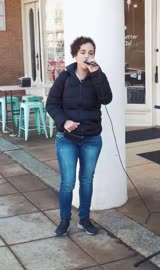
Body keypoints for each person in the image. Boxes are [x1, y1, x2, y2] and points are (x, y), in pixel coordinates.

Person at [46, 36, 112, 236]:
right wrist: (64, 121)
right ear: (75, 54)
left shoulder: (98, 76)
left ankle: (84, 219)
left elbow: (106, 99)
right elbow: (51, 104)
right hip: (67, 139)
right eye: (83, 52)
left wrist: (97, 75)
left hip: (91, 139)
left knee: (87, 180)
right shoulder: (64, 77)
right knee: (68, 182)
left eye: (91, 53)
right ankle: (65, 220)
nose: (87, 56)